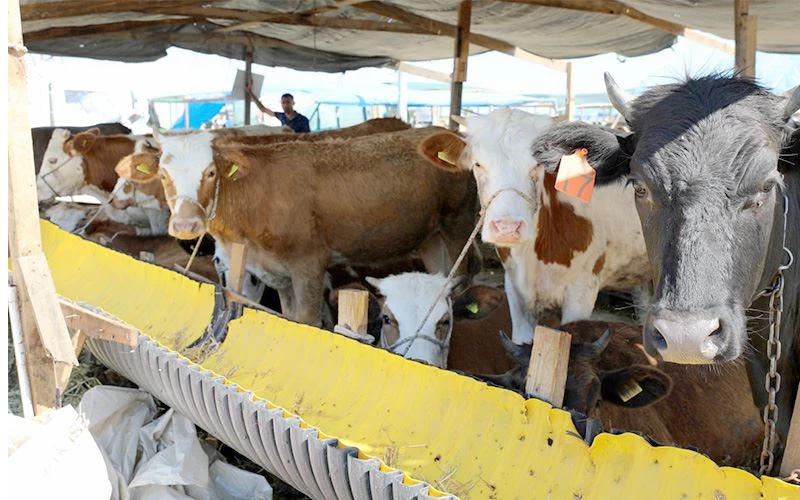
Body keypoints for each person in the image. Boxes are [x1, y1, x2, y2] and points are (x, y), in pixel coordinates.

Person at [245, 83, 311, 133]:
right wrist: (250, 93)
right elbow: (263, 109)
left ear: (293, 103)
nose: (285, 105)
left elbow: (308, 138)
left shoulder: (303, 120)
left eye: (288, 102)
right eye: (283, 103)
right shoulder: (282, 116)